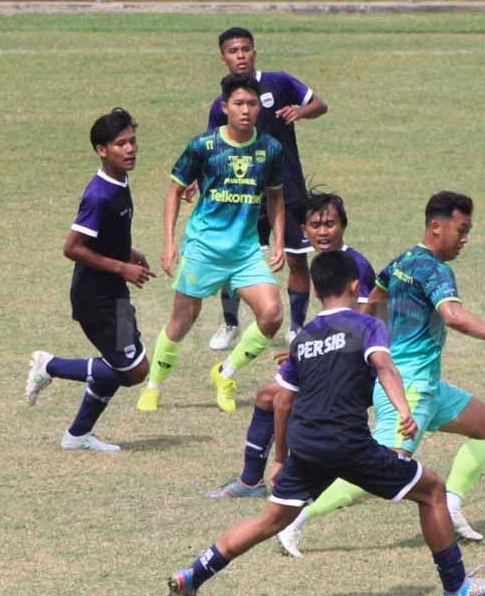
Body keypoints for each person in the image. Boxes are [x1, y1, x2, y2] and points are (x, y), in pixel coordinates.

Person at [166, 250, 485, 596]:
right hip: (348, 443)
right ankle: (456, 586)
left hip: (306, 446)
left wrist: (281, 459)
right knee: (433, 490)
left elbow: (282, 402)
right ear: (355, 285)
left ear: (315, 292)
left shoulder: (303, 338)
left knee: (268, 520)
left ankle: (193, 575)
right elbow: (385, 367)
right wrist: (403, 409)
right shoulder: (367, 325)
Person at [275, 192, 485, 556]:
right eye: (461, 230)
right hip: (408, 386)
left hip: (428, 386)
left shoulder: (404, 260)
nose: (465, 239)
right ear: (437, 226)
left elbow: (373, 301)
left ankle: (450, 505)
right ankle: (297, 517)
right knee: (383, 466)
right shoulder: (435, 269)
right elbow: (453, 316)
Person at [202, 189, 376, 499]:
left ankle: (278, 475)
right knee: (270, 396)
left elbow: (365, 325)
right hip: (337, 362)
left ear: (343, 226)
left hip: (357, 369)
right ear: (304, 231)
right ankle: (256, 480)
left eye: (330, 224)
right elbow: (335, 323)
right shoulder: (326, 263)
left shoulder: (354, 265)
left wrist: (313, 354)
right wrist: (305, 351)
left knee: (278, 398)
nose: (323, 231)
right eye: (315, 224)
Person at [135, 73, 286, 415]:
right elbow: (175, 190)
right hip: (203, 248)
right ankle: (154, 385)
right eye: (238, 104)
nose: (245, 110)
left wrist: (278, 240)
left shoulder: (270, 149)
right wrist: (170, 243)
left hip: (245, 252)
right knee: (182, 321)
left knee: (272, 314)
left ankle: (225, 373)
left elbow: (276, 197)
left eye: (251, 104)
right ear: (225, 108)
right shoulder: (204, 146)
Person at [24, 108, 155, 451]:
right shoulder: (99, 195)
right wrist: (122, 267)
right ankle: (50, 365)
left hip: (117, 294)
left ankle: (77, 434)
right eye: (120, 144)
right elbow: (73, 247)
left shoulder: (120, 181)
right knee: (134, 370)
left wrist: (127, 253)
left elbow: (105, 238)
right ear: (101, 149)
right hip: (96, 300)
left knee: (129, 364)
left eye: (132, 142)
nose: (130, 150)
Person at [193, 27, 329, 352]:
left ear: (254, 51)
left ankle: (296, 325)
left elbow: (320, 104)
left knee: (297, 259)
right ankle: (230, 324)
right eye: (233, 51)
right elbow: (212, 148)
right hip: (242, 196)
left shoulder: (279, 83)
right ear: (223, 57)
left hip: (287, 190)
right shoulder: (221, 105)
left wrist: (301, 110)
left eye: (245, 49)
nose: (240, 55)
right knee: (232, 260)